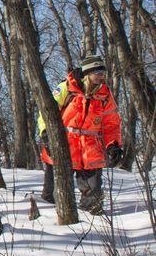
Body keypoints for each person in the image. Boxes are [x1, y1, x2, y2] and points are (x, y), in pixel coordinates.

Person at [38, 54, 122, 214]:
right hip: (62, 145)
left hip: (91, 149)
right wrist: (46, 133)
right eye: (97, 73)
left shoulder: (105, 95)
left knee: (94, 197)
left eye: (102, 73)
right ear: (87, 73)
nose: (101, 76)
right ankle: (51, 223)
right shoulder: (66, 88)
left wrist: (114, 144)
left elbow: (112, 124)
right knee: (53, 196)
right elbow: (46, 111)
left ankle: (94, 226)